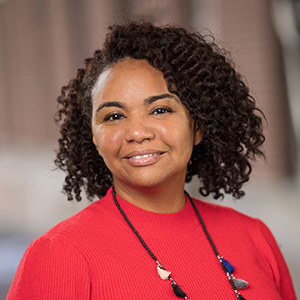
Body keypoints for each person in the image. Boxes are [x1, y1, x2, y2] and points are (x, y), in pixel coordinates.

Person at [6, 21, 296, 300]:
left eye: (160, 110)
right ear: (93, 137)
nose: (136, 133)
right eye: (114, 116)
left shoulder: (254, 236)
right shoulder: (59, 255)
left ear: (199, 126)